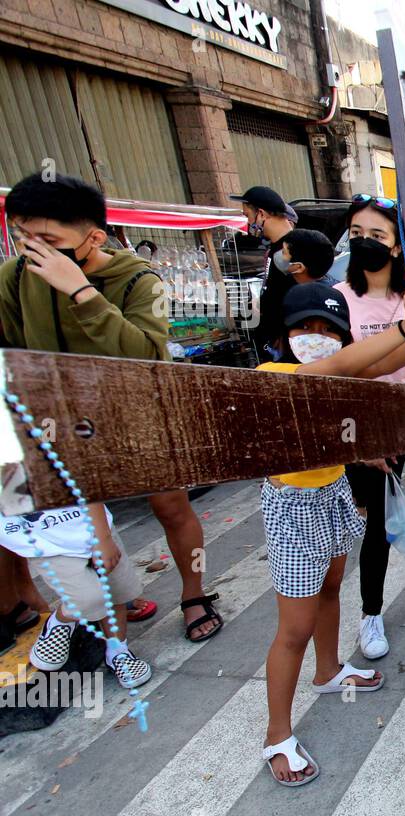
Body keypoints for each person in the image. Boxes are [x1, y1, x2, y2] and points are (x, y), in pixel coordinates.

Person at [0, 172, 222, 645]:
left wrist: (81, 292)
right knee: (69, 516)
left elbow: (143, 355)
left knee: (171, 506)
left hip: (137, 416)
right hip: (58, 424)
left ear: (93, 237)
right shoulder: (16, 278)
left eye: (47, 239)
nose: (33, 249)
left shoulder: (140, 280)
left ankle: (194, 592)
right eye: (23, 236)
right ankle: (101, 600)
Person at [257, 278, 405, 786]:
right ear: (282, 333)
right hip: (293, 509)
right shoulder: (273, 372)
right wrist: (404, 326)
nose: (316, 337)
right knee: (292, 630)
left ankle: (328, 671)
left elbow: (373, 367)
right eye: (304, 328)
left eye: (328, 330)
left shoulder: (334, 373)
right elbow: (342, 365)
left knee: (332, 589)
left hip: (332, 491)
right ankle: (277, 735)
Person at [333, 196, 405, 657]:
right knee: (380, 525)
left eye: (377, 236)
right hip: (370, 422)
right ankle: (371, 613)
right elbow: (338, 369)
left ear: (398, 247)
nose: (365, 243)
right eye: (357, 234)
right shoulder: (340, 300)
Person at [2, 501, 152, 690]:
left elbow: (87, 482)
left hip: (92, 522)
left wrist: (104, 537)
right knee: (86, 598)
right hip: (44, 541)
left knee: (116, 593)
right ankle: (60, 620)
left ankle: (118, 652)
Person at [230, 186, 297, 361]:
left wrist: (284, 336)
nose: (247, 222)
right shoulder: (273, 247)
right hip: (271, 342)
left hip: (287, 348)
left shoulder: (294, 249)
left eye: (247, 216)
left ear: (261, 214)